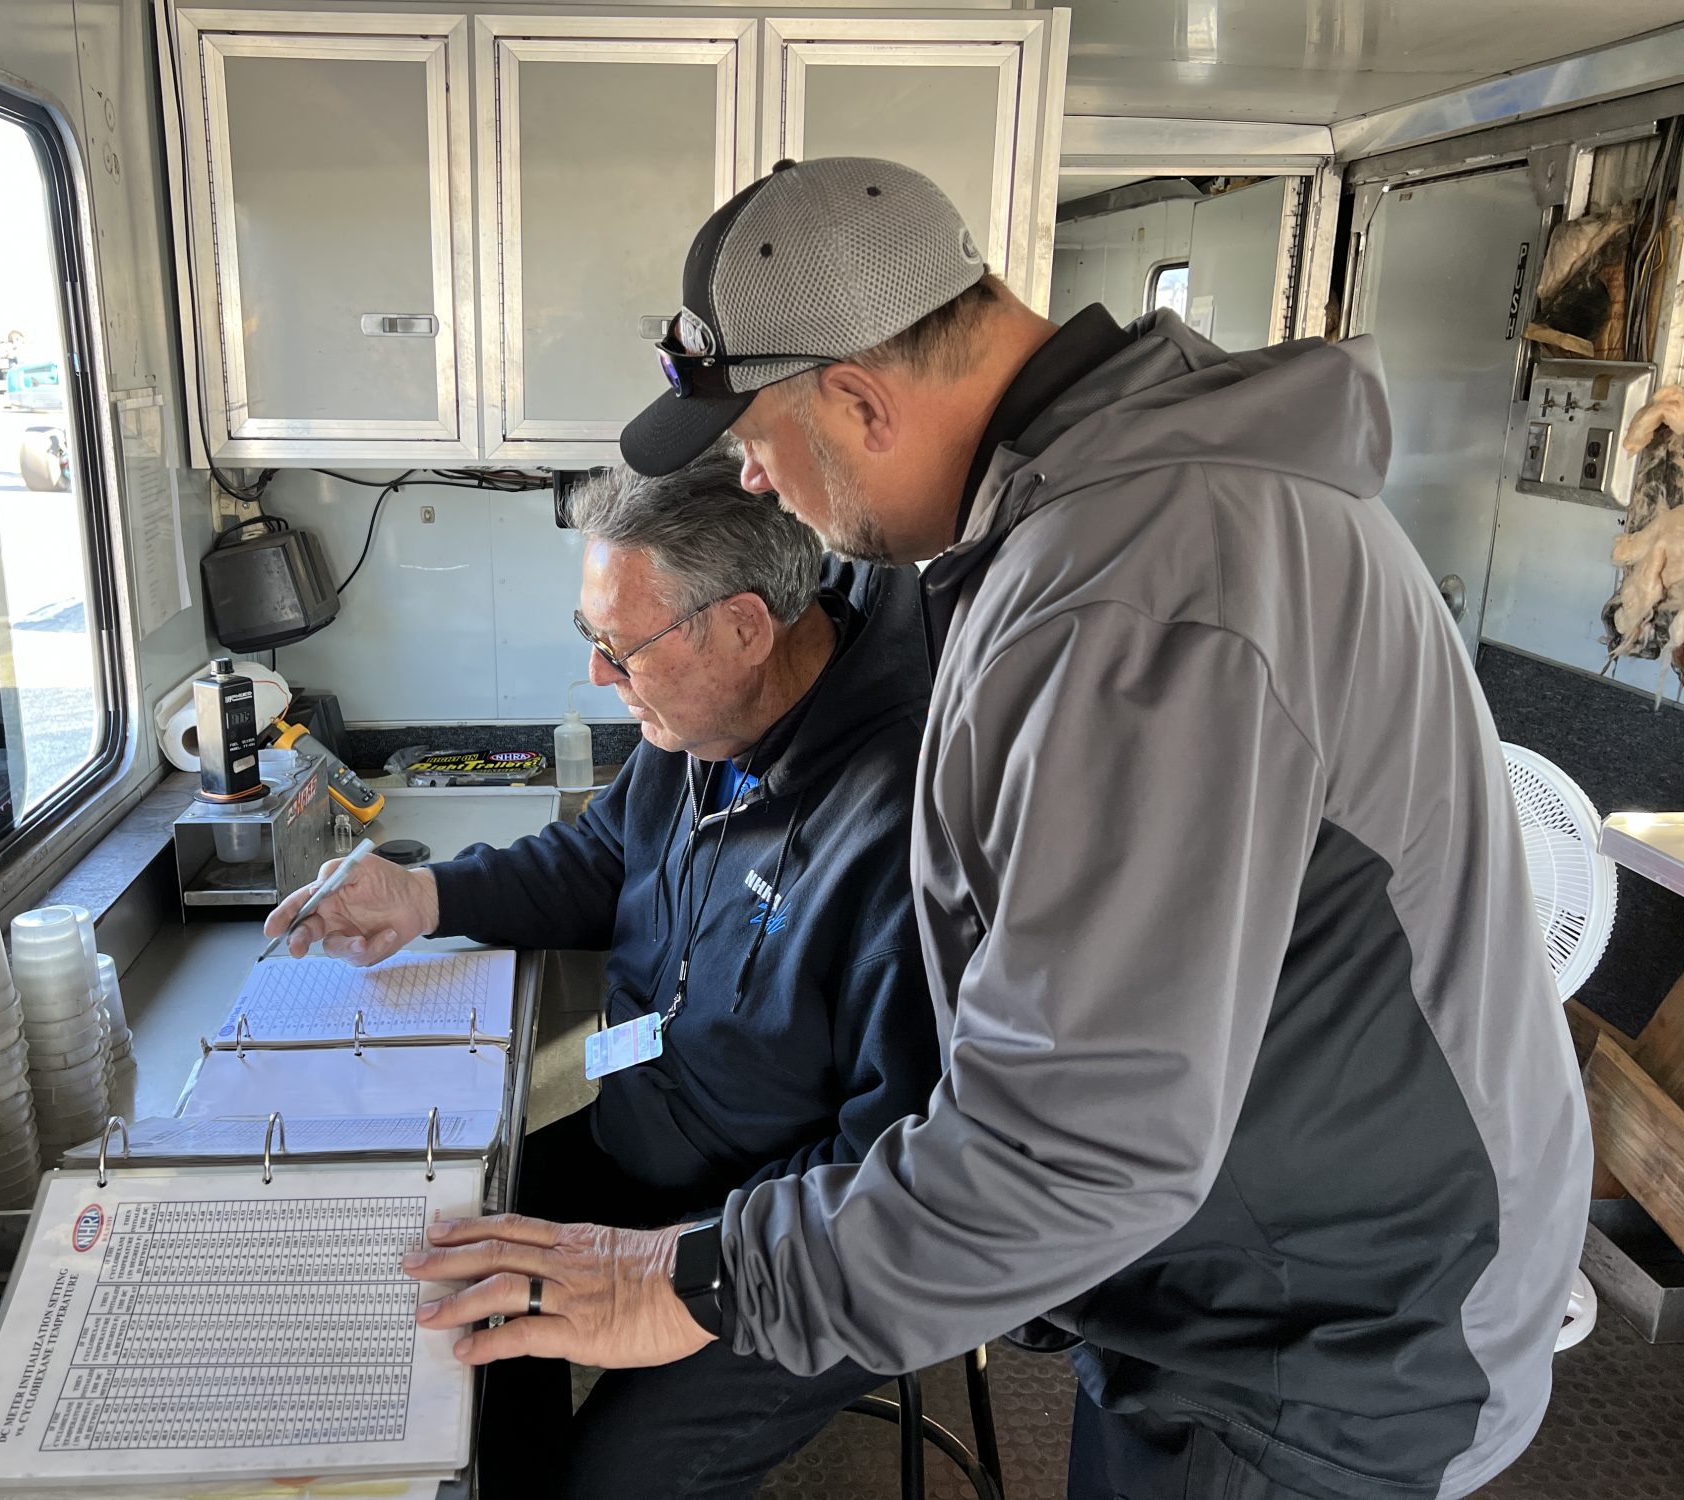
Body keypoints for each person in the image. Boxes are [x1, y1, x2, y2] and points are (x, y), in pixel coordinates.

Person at [384, 158, 1592, 1500]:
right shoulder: (1074, 536)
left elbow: (1078, 1141)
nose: (760, 488)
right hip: (1216, 1279)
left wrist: (706, 1275)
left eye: (756, 448)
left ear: (859, 398)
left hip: (1313, 1349)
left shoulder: (1133, 595)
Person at [266, 450, 941, 1498]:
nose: (597, 677)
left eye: (618, 649)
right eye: (594, 640)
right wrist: (429, 898)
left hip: (799, 1239)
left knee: (613, 1482)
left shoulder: (907, 823)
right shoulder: (700, 711)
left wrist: (689, 1271)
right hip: (647, 1142)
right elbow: (601, 857)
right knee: (444, 1262)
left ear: (744, 627)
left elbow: (897, 1161)